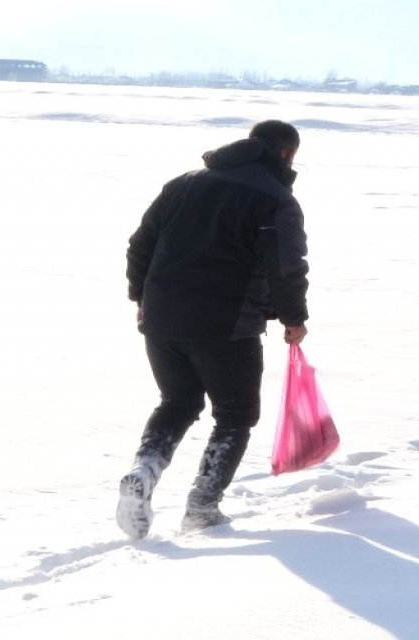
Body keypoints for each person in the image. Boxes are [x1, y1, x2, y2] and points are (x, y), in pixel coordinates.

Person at [118, 120, 310, 539]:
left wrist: (141, 299)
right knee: (235, 415)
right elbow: (285, 265)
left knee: (177, 402)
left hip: (162, 318)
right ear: (286, 154)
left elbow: (140, 245)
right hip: (227, 324)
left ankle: (143, 471)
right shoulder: (275, 199)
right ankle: (203, 506)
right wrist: (294, 318)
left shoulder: (183, 184)